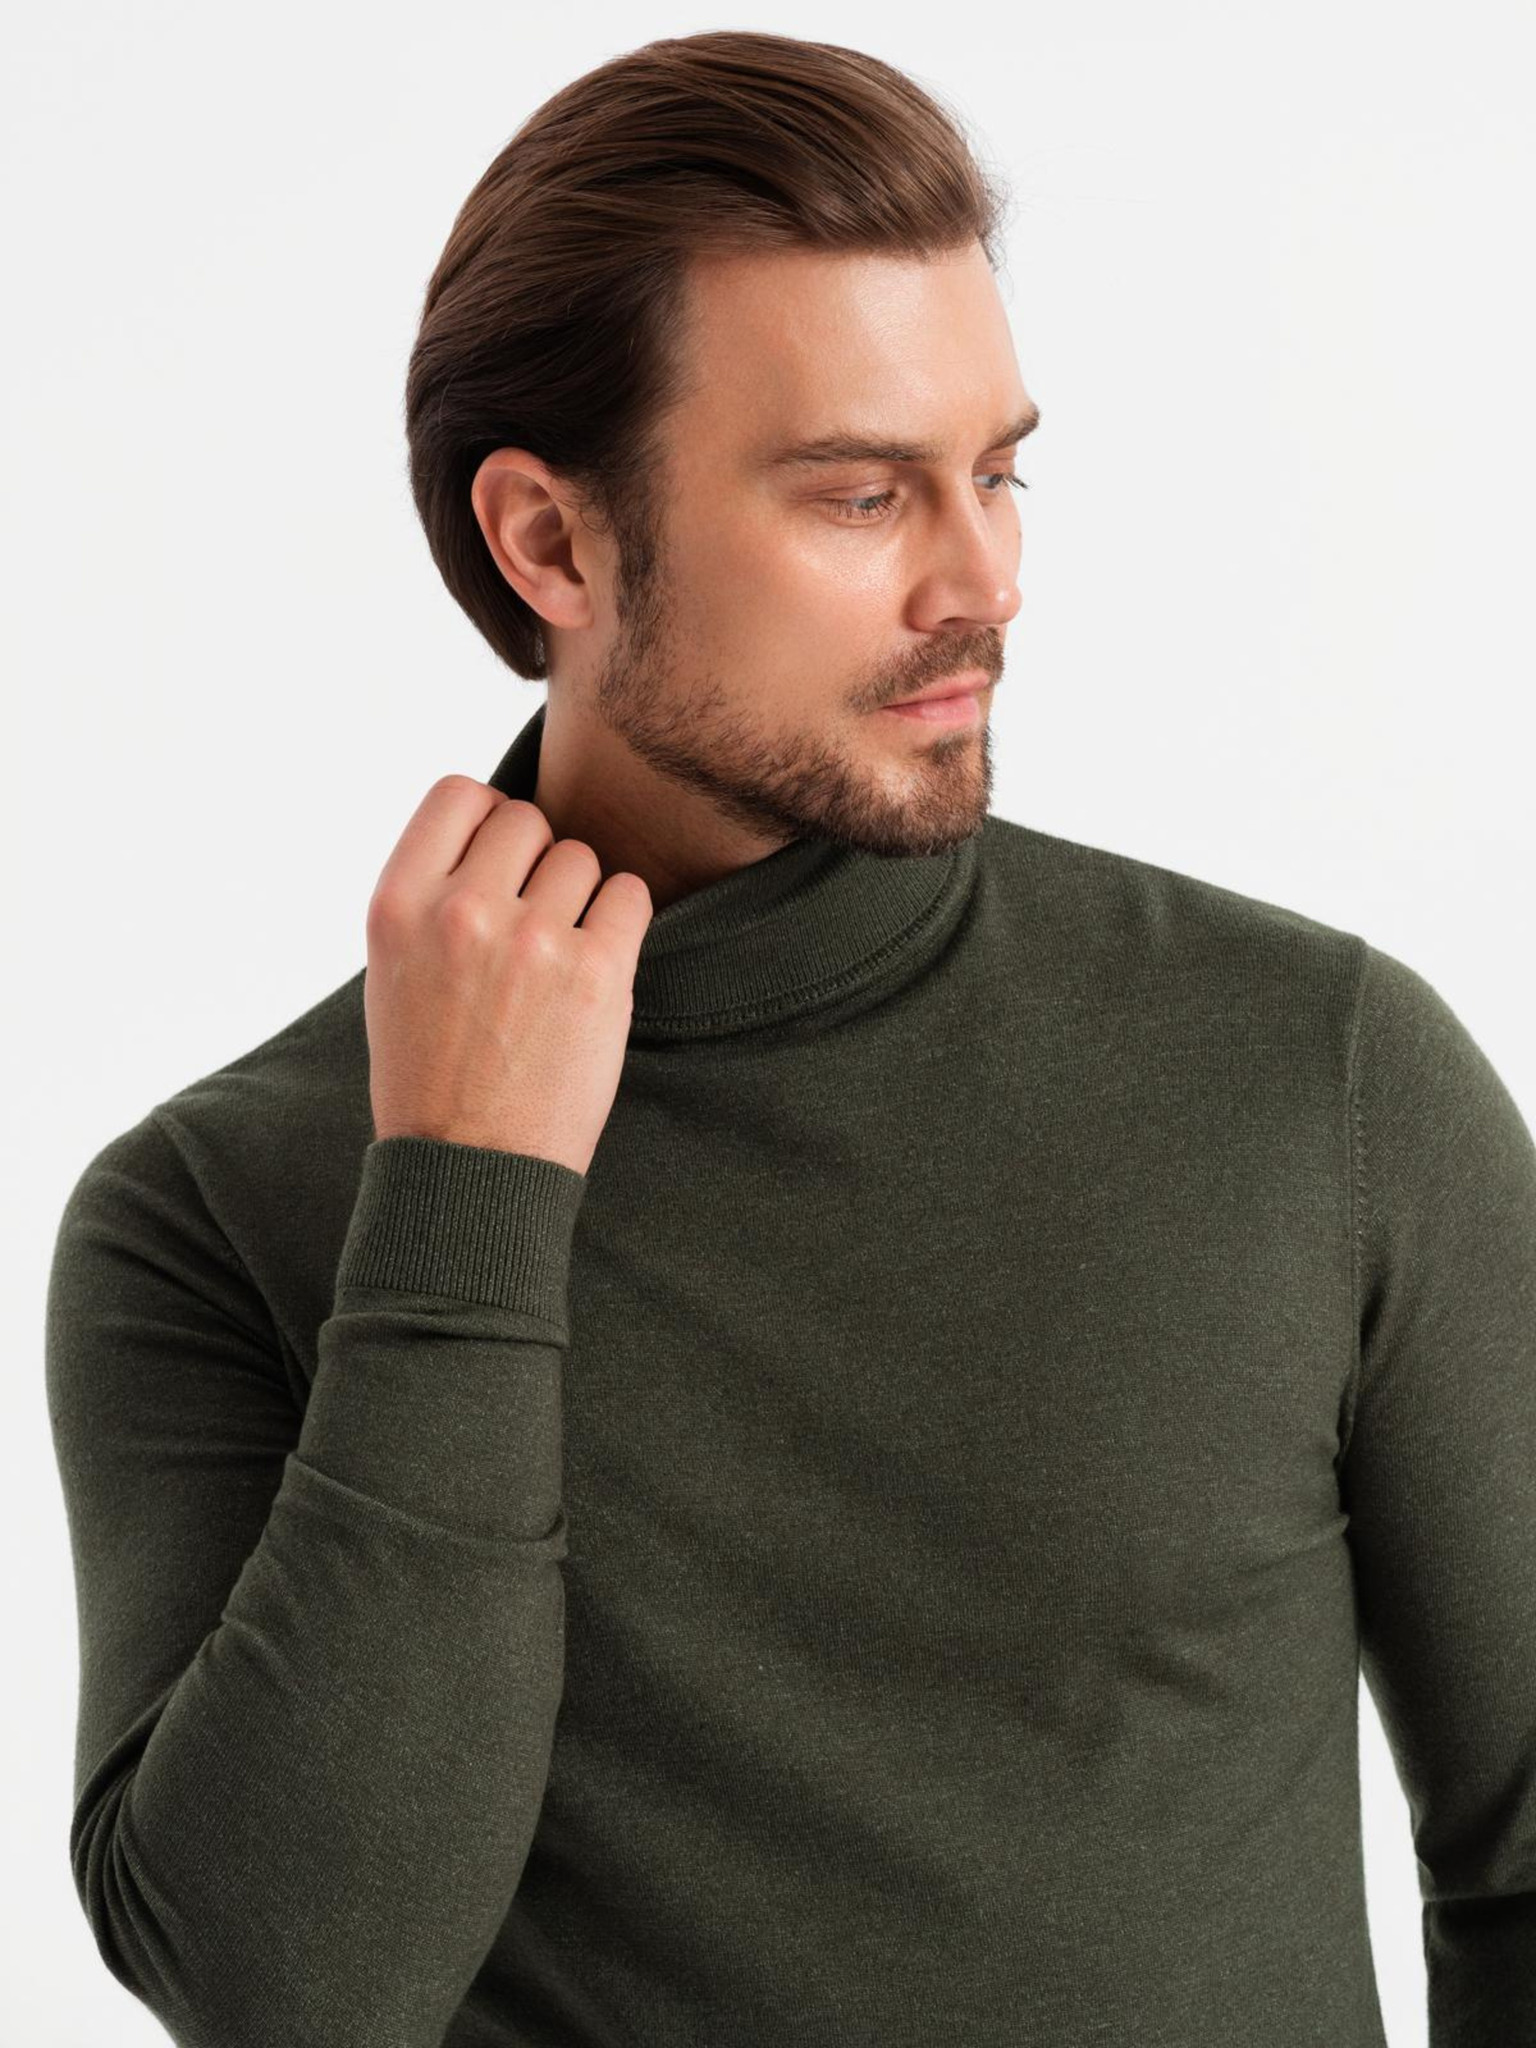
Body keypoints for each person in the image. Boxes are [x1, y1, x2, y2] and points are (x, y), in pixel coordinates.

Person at [45, 28, 1536, 2048]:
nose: (985, 580)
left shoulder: (1319, 1072)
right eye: (859, 493)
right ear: (552, 543)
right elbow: (291, 1990)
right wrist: (464, 1205)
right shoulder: (221, 1212)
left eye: (998, 471)